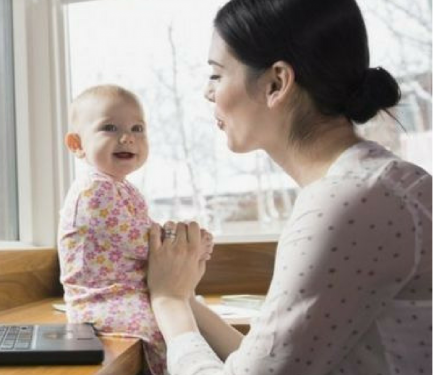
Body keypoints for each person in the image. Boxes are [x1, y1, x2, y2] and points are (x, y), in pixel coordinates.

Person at [147, 0, 432, 374]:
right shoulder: (372, 185)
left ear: (276, 83)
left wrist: (168, 302)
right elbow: (275, 359)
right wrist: (185, 299)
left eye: (217, 75)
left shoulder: (347, 202)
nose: (207, 92)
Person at [58, 84, 213, 375]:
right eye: (110, 127)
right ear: (77, 144)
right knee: (157, 331)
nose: (127, 137)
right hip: (102, 298)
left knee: (185, 317)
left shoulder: (121, 188)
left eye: (138, 128)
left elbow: (144, 231)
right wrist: (184, 245)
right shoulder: (94, 190)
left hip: (127, 291)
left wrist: (183, 242)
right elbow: (140, 243)